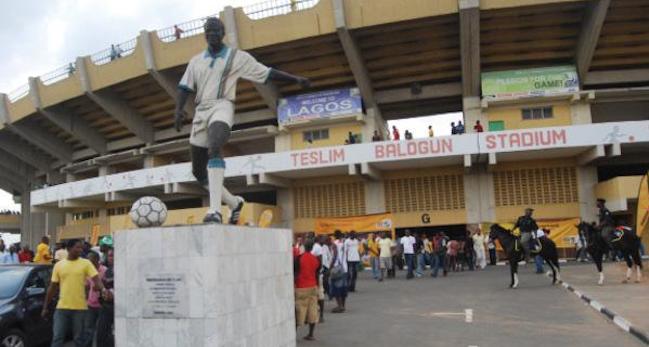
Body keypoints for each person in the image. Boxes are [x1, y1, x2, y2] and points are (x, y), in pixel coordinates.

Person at [174, 17, 309, 224]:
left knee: (215, 146)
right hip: (201, 111)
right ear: (204, 34)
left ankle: (214, 211)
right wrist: (178, 110)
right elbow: (184, 87)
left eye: (216, 30)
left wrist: (295, 79)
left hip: (223, 105)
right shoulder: (196, 61)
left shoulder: (237, 57)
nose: (212, 34)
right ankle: (234, 203)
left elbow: (266, 73)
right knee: (198, 172)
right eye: (208, 31)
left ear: (223, 33)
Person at [43, 239, 107, 347]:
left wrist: (103, 290)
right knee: (57, 338)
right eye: (77, 247)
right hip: (61, 308)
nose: (80, 250)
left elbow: (96, 280)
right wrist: (45, 307)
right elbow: (52, 287)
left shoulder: (86, 263)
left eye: (81, 248)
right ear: (69, 249)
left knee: (78, 340)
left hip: (80, 309)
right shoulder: (59, 265)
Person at [294, 241, 321, 341]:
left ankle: (293, 335)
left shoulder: (299, 258)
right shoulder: (315, 259)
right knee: (312, 310)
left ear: (304, 247)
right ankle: (311, 334)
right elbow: (317, 272)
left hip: (301, 287)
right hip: (313, 286)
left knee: (298, 311)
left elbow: (296, 272)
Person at [82, 251, 107, 347]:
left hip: (103, 306)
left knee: (101, 331)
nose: (88, 262)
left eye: (90, 260)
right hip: (90, 305)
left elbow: (111, 287)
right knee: (88, 330)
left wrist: (102, 288)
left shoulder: (105, 270)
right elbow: (86, 287)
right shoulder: (87, 272)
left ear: (97, 260)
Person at [96, 249, 114, 347]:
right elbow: (103, 286)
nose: (111, 258)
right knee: (102, 335)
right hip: (106, 307)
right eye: (110, 256)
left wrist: (112, 293)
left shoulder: (127, 270)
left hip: (119, 308)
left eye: (113, 255)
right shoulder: (108, 271)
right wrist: (103, 292)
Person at [330, 231, 348, 313]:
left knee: (336, 288)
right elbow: (346, 254)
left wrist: (330, 267)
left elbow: (334, 256)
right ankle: (343, 305)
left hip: (337, 269)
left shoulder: (335, 244)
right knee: (343, 288)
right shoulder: (345, 243)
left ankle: (339, 306)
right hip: (345, 268)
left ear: (335, 236)